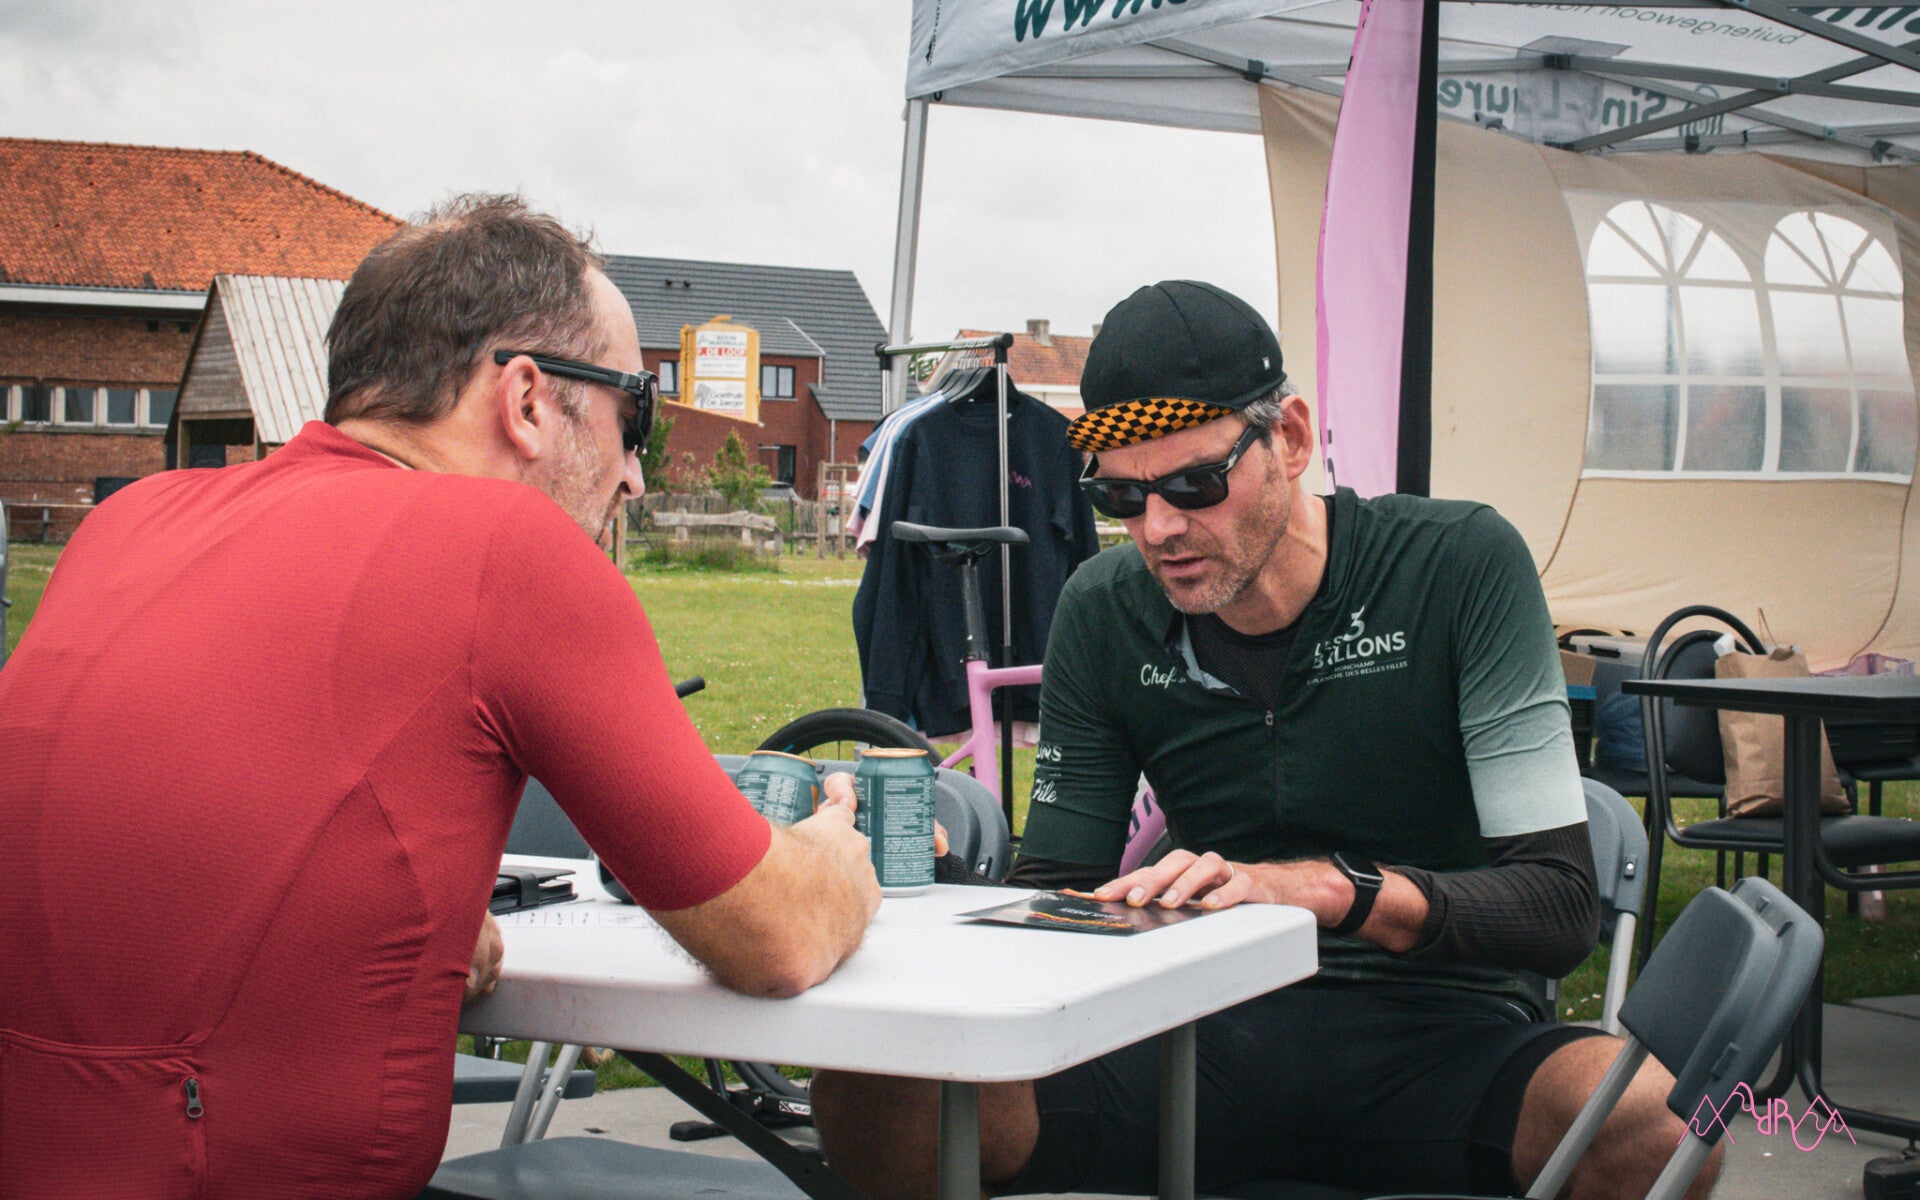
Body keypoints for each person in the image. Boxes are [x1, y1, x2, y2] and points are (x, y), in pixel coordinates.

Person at [0, 194, 879, 1200]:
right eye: (633, 413)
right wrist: (836, 862)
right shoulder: (503, 544)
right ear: (528, 399)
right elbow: (778, 937)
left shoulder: (133, 520)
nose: (636, 476)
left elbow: (157, 825)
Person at [811, 281, 1719, 1200]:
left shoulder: (1457, 565)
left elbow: (1558, 909)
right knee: (871, 1101)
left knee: (1668, 1126)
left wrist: (1325, 891)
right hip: (1188, 1029)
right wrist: (938, 889)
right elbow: (1058, 890)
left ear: (1289, 437)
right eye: (1121, 495)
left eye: (1194, 485)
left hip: (1443, 1031)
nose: (1158, 530)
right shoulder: (1103, 610)